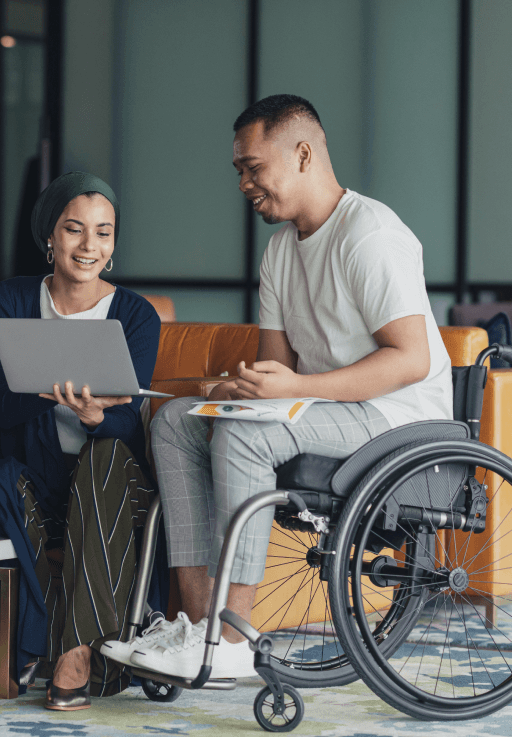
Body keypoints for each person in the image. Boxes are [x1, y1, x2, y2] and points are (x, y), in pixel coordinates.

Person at [102, 94, 452, 679]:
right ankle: (200, 632)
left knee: (249, 435)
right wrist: (238, 389)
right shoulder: (281, 251)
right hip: (328, 412)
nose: (243, 182)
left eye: (253, 167)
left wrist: (293, 388)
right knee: (174, 421)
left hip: (396, 417)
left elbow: (411, 359)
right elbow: (275, 370)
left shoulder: (368, 233)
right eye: (239, 170)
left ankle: (233, 639)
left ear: (304, 154)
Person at [0, 171, 166, 711]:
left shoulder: (136, 314)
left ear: (114, 244)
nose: (88, 246)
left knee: (103, 458)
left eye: (103, 232)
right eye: (74, 230)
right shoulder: (13, 297)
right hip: (36, 470)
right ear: (49, 236)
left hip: (109, 480)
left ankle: (73, 652)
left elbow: (127, 419)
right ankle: (27, 643)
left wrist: (96, 416)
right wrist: (51, 388)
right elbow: (3, 405)